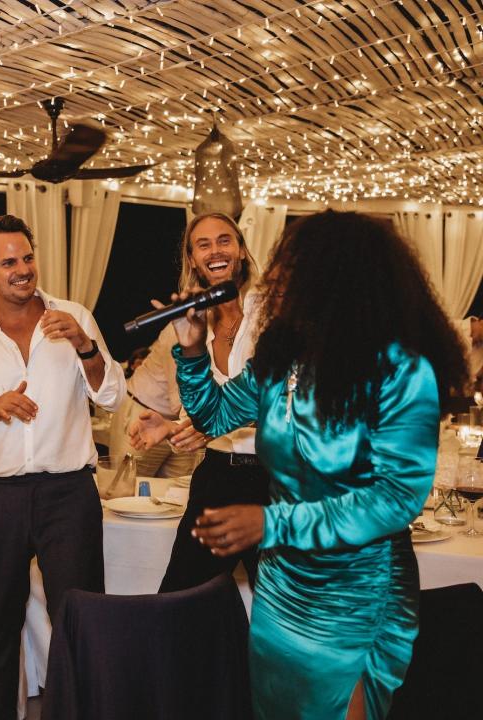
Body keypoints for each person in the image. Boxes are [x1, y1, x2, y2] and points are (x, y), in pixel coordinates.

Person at [165, 210, 467, 720]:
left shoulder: (400, 369)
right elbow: (215, 416)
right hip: (284, 584)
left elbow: (397, 498)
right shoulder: (282, 358)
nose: (277, 279)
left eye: (291, 269)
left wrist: (270, 520)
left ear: (335, 279)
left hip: (358, 588)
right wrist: (192, 352)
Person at [0, 214, 126, 720]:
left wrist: (86, 346)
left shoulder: (73, 316)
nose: (23, 269)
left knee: (79, 619)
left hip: (69, 493)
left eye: (27, 258)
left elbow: (111, 395)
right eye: (8, 262)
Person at [129, 212, 270, 592]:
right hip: (218, 476)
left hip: (277, 480)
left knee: (284, 613)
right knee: (180, 602)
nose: (215, 250)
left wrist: (207, 425)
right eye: (203, 244)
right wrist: (174, 426)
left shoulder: (271, 310)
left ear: (241, 249)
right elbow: (209, 410)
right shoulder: (189, 322)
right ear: (192, 258)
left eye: (225, 240)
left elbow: (271, 399)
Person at [109, 326, 203, 478]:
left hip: (180, 422)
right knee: (128, 488)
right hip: (143, 414)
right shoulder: (180, 330)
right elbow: (180, 399)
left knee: (175, 492)